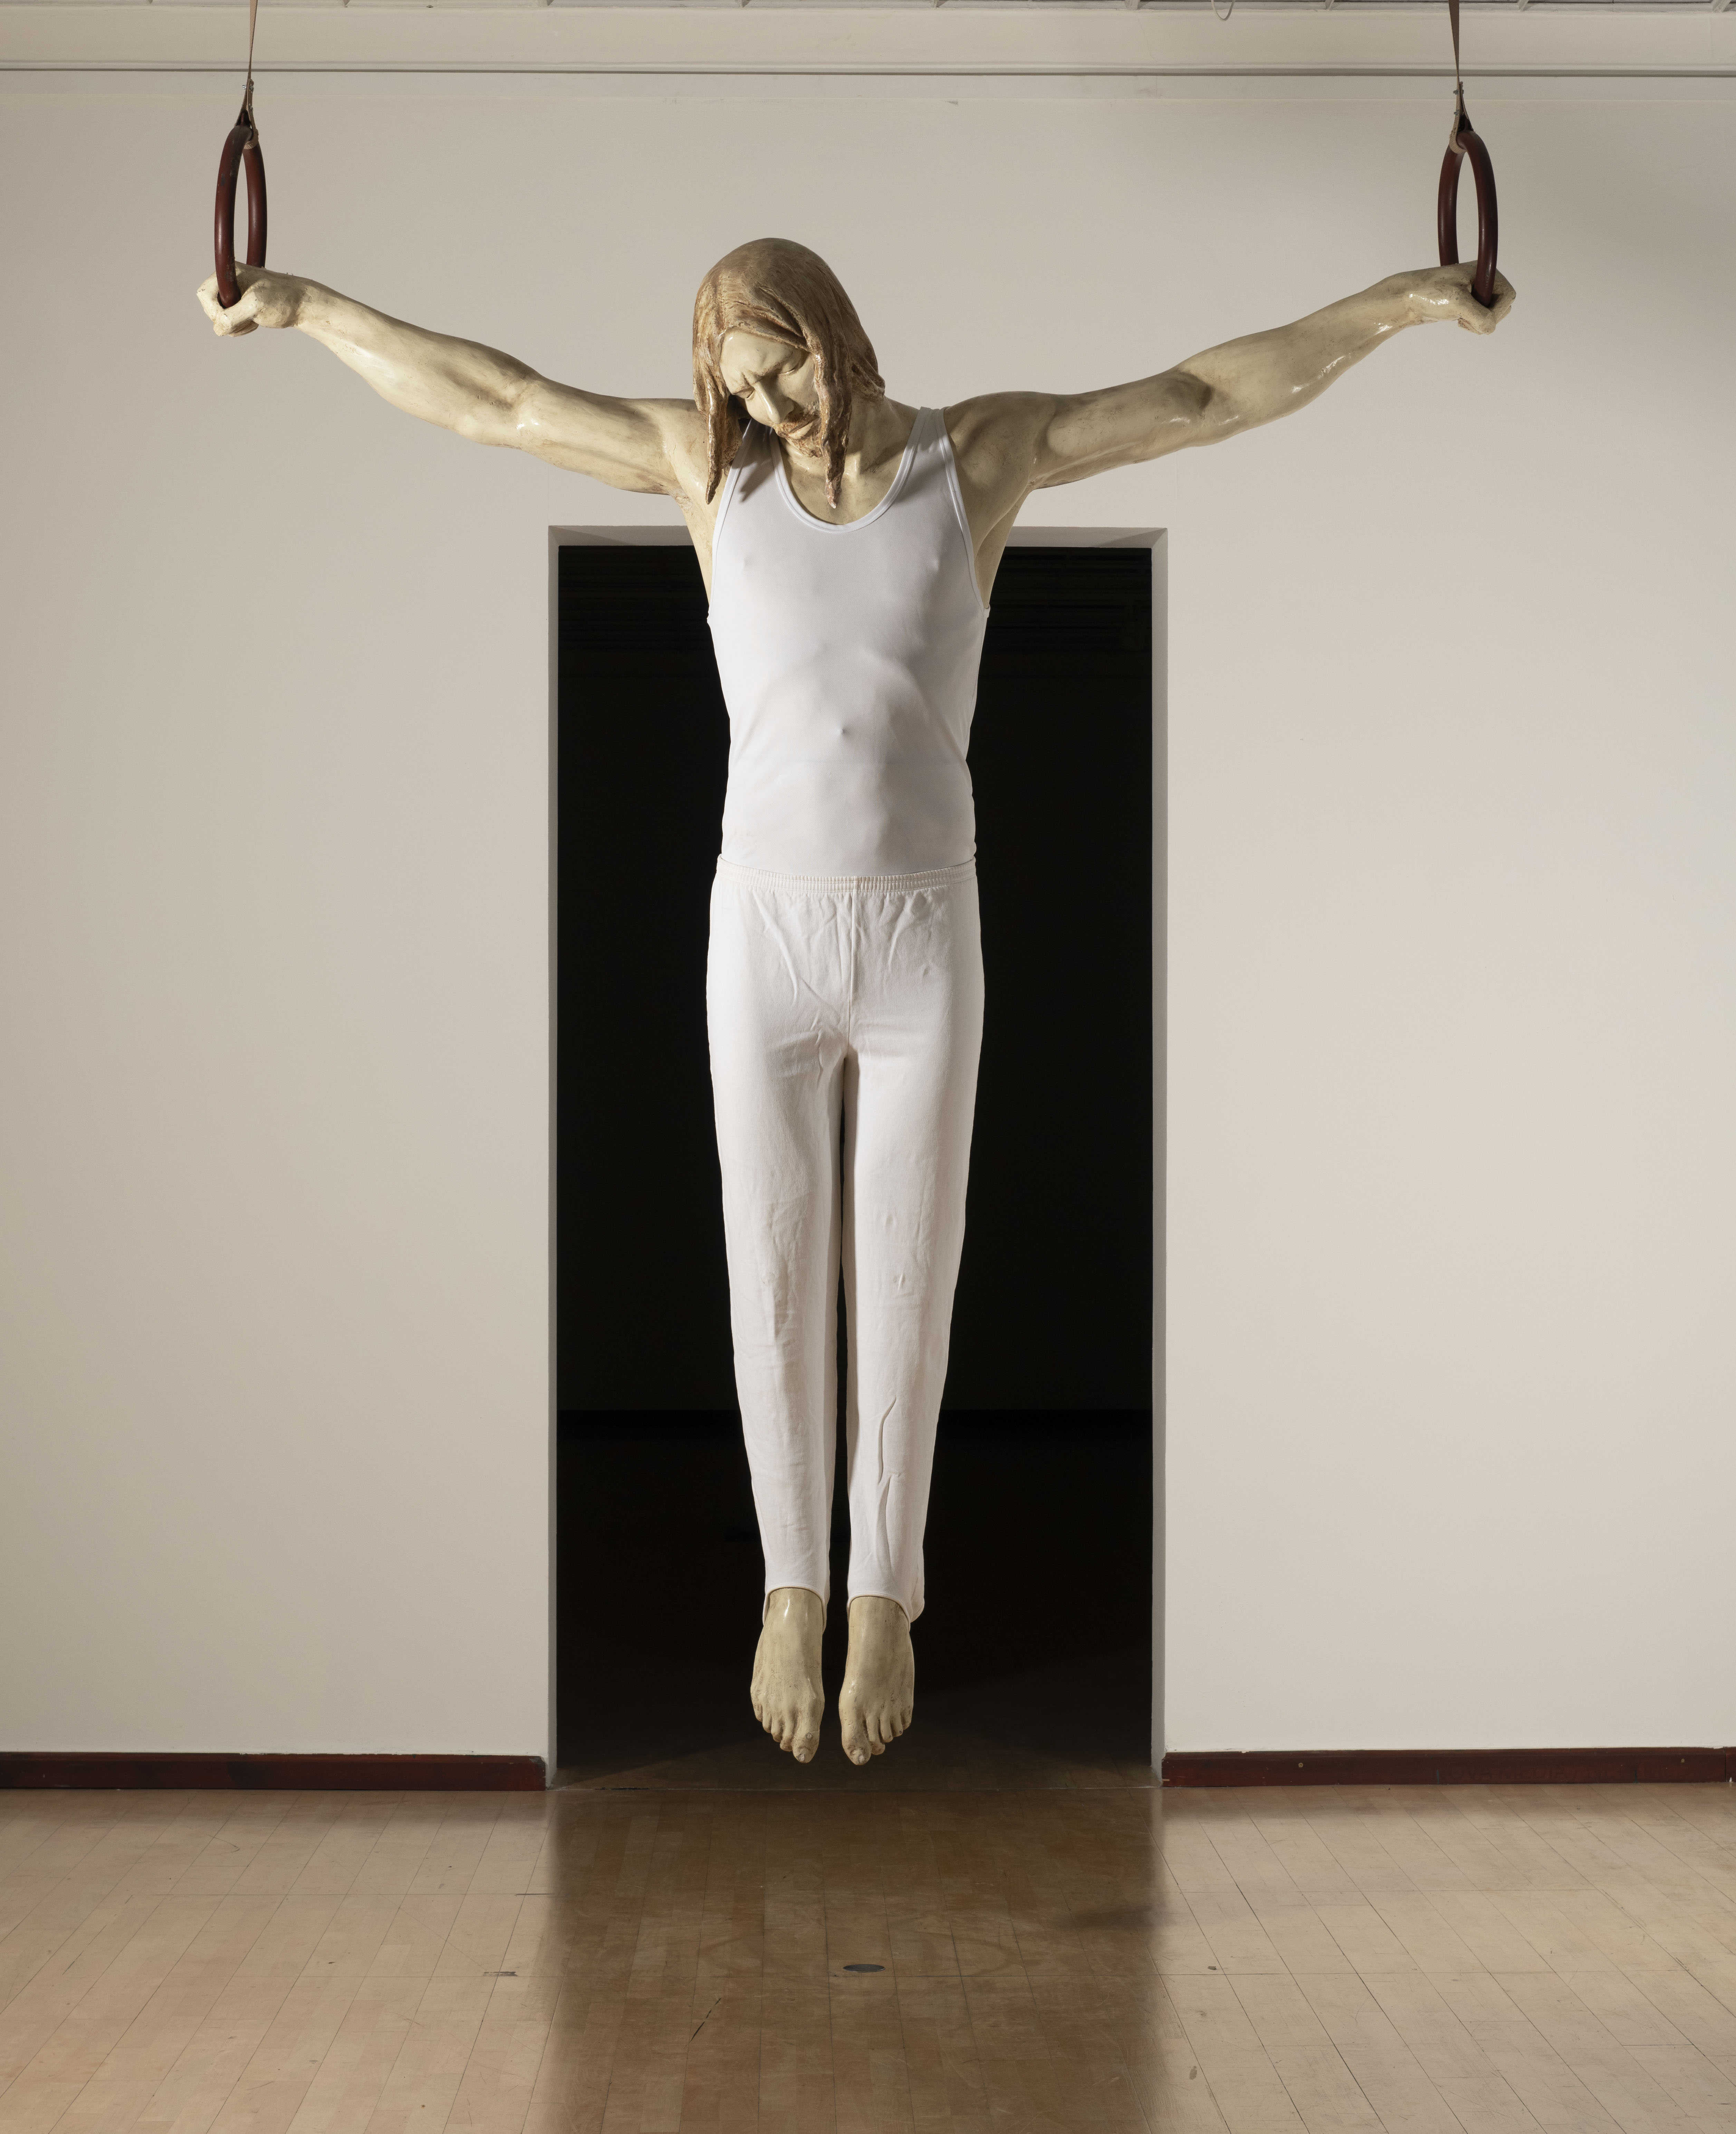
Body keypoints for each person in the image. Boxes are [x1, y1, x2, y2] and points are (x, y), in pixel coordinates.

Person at [200, 236, 1515, 1768]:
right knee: (769, 1270)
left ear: (835, 331)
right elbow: (495, 399)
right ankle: (790, 1585)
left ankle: (884, 1589)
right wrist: (305, 308)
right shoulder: (710, 472)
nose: (776, 407)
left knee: (904, 1271)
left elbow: (1202, 397)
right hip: (762, 928)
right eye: (746, 387)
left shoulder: (975, 458)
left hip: (920, 933)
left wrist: (1407, 301)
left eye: (788, 370)